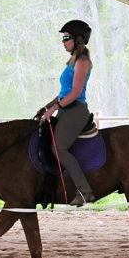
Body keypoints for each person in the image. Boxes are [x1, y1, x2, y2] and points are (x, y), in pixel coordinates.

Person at [39, 19, 96, 207]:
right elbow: (64, 92)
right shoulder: (71, 62)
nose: (63, 42)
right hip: (66, 108)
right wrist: (47, 107)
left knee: (59, 148)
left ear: (78, 40)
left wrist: (55, 108)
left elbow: (75, 93)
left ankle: (85, 191)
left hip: (76, 110)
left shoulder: (82, 61)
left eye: (66, 38)